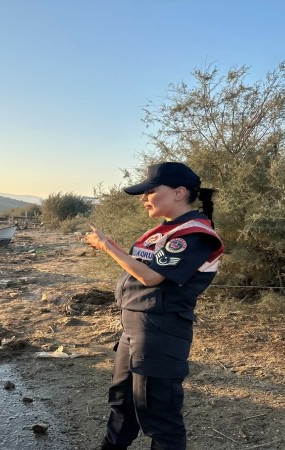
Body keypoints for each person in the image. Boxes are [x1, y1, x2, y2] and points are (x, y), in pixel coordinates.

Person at [82, 162, 224, 450]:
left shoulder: (195, 234)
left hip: (161, 330)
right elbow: (140, 267)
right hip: (134, 327)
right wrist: (111, 245)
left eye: (150, 192)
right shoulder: (165, 230)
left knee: (159, 413)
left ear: (179, 192)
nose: (144, 199)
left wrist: (107, 248)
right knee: (122, 402)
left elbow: (151, 277)